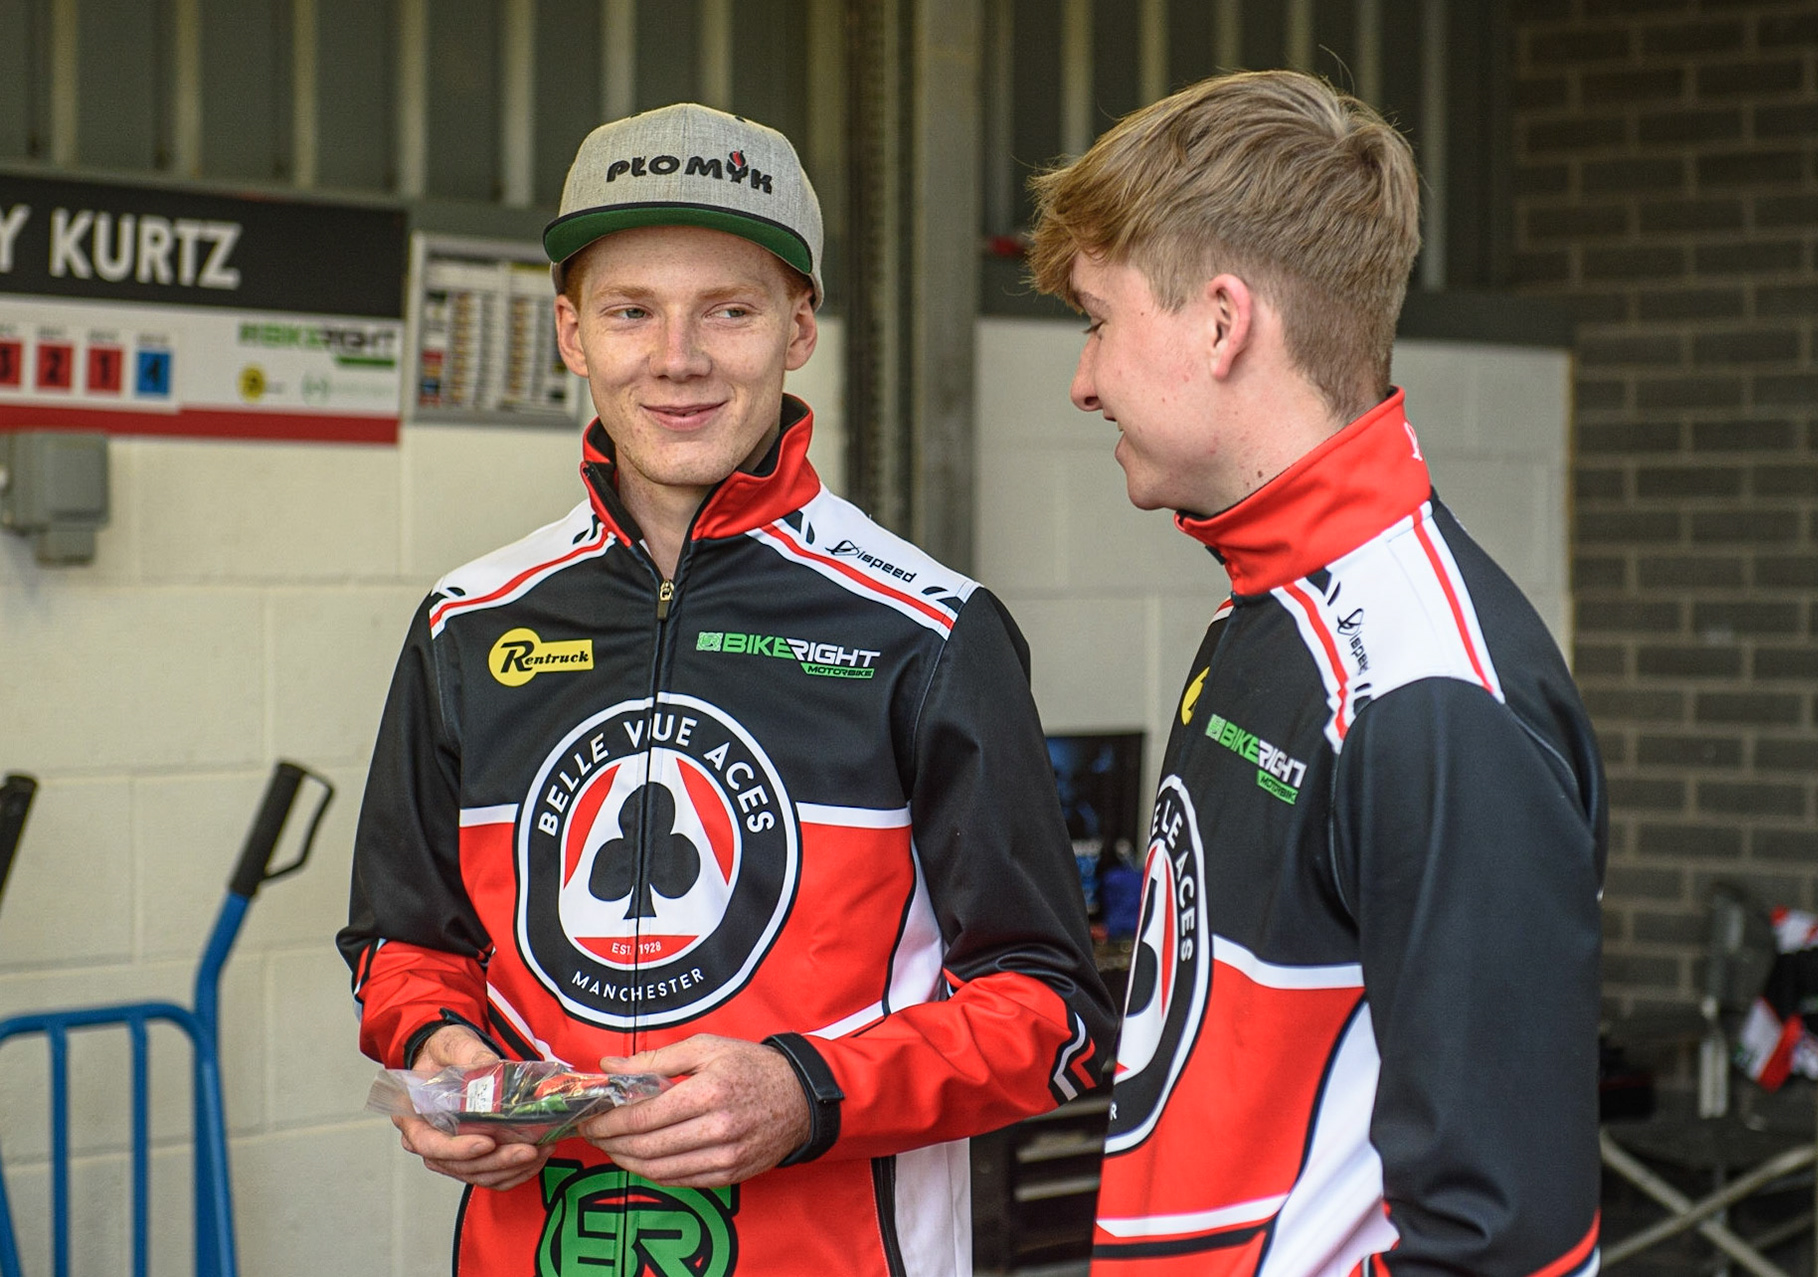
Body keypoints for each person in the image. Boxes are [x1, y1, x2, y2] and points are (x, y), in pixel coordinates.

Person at [340, 102, 1113, 1277]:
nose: (678, 357)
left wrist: (810, 1090)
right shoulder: (467, 623)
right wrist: (440, 1045)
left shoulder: (930, 629)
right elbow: (403, 939)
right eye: (631, 311)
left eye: (729, 310)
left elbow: (1051, 1016)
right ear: (570, 331)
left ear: (800, 326)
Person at [1027, 70, 1606, 1276]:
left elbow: (1509, 1245)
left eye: (1097, 318)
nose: (1082, 380)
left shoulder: (1431, 691)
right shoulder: (1270, 608)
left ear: (1222, 321)